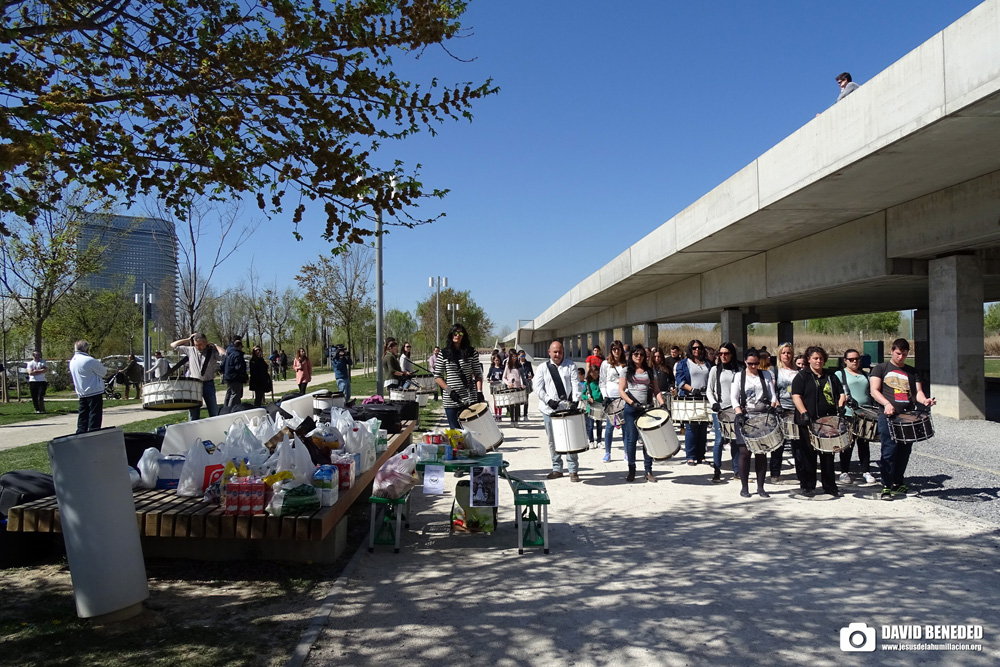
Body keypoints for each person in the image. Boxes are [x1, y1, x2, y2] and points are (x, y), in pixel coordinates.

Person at [870, 338, 936, 500]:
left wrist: (925, 400)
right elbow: (874, 390)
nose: (901, 357)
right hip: (888, 416)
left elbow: (917, 393)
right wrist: (886, 404)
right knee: (889, 451)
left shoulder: (912, 372)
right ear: (892, 351)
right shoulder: (881, 369)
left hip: (907, 416)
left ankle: (898, 482)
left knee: (904, 451)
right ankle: (886, 485)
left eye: (904, 354)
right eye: (898, 353)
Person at [791, 345, 845, 497]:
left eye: (821, 358)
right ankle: (808, 485)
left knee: (828, 454)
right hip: (808, 421)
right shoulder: (802, 376)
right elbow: (796, 396)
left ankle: (829, 485)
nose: (818, 361)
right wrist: (804, 413)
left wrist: (841, 406)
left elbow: (841, 393)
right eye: (815, 358)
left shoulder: (831, 376)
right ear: (809, 360)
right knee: (808, 453)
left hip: (827, 421)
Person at [731, 348, 779, 498]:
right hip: (745, 416)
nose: (753, 366)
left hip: (762, 416)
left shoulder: (766, 375)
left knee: (761, 452)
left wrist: (772, 406)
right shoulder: (739, 376)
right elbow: (734, 397)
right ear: (745, 361)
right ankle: (744, 487)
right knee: (744, 452)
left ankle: (761, 486)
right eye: (750, 363)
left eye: (756, 363)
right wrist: (739, 413)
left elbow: (773, 394)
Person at [534, 340, 582, 482]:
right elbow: (538, 387)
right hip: (549, 409)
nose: (557, 354)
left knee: (570, 438)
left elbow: (576, 384)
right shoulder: (543, 368)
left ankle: (573, 470)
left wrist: (575, 400)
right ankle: (557, 468)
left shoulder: (570, 365)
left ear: (563, 352)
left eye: (560, 352)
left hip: (567, 408)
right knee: (552, 440)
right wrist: (548, 400)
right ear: (549, 352)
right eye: (554, 352)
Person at [619, 344, 666, 482]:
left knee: (647, 440)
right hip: (631, 408)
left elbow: (656, 390)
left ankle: (648, 470)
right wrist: (631, 402)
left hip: (647, 408)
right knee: (631, 439)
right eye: (635, 354)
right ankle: (632, 469)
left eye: (641, 354)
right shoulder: (626, 370)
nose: (638, 356)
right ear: (631, 355)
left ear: (645, 356)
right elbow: (621, 390)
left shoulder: (650, 371)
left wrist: (662, 404)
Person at [837, 349, 877, 485]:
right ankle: (844, 471)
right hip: (848, 413)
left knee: (864, 444)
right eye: (852, 359)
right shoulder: (840, 374)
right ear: (845, 360)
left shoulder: (866, 375)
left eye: (857, 359)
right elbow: (836, 392)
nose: (855, 361)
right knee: (847, 444)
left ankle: (866, 470)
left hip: (865, 413)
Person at [433, 323, 484, 429]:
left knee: (472, 432)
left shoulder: (471, 352)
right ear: (451, 334)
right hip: (452, 399)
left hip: (470, 397)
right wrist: (449, 391)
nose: (458, 335)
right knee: (456, 432)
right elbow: (437, 376)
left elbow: (478, 374)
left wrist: (479, 391)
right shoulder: (444, 353)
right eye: (455, 333)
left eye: (460, 333)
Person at [171, 332, 226, 421]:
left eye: (200, 344)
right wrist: (188, 339)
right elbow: (173, 345)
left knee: (213, 411)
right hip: (194, 385)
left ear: (205, 343)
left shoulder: (212, 352)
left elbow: (224, 354)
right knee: (193, 413)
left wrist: (215, 345)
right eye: (196, 344)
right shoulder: (191, 350)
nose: (198, 347)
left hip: (208, 384)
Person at [707, 342, 741, 483]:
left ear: (732, 354)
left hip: (735, 410)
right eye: (720, 354)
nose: (723, 356)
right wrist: (713, 403)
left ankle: (737, 470)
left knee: (735, 440)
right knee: (719, 440)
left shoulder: (738, 370)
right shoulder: (715, 370)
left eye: (726, 353)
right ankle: (717, 470)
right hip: (719, 410)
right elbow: (709, 389)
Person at [675, 339, 713, 465]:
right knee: (691, 427)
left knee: (703, 427)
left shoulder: (707, 363)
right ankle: (690, 456)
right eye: (694, 348)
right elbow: (680, 380)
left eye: (699, 348)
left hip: (704, 398)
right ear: (690, 349)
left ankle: (701, 455)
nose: (697, 350)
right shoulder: (684, 363)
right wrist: (692, 390)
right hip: (690, 398)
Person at [772, 342, 799, 483]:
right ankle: (775, 473)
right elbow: (772, 390)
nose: (786, 355)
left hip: (796, 410)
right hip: (781, 409)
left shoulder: (798, 370)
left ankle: (801, 473)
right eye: (783, 353)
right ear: (779, 355)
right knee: (779, 444)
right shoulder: (775, 370)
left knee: (797, 444)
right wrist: (777, 404)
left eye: (788, 352)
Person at [69, 340, 108, 433]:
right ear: (87, 349)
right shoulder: (89, 360)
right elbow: (103, 372)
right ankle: (93, 431)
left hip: (81, 391)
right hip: (94, 390)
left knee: (83, 414)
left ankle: (81, 432)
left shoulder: (72, 361)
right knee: (95, 415)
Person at [599, 340, 627, 463]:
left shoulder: (625, 364)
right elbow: (602, 381)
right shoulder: (605, 364)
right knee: (609, 427)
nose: (616, 351)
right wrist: (605, 395)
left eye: (618, 348)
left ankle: (627, 452)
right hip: (610, 398)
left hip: (623, 398)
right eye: (614, 349)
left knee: (625, 427)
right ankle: (608, 452)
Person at [221, 337, 248, 407]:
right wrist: (245, 377)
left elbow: (223, 363)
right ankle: (231, 409)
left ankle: (226, 408)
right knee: (235, 394)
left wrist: (222, 370)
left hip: (228, 376)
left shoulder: (228, 351)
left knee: (229, 393)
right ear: (239, 346)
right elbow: (239, 367)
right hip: (235, 377)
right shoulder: (237, 354)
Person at [583, 365, 603, 447]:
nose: (595, 376)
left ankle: (599, 441)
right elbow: (582, 394)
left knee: (599, 425)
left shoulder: (600, 382)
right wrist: (587, 397)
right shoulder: (587, 383)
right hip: (590, 407)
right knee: (590, 425)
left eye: (597, 374)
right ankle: (591, 440)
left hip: (600, 406)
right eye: (594, 374)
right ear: (590, 373)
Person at [502, 353, 523, 425]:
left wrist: (522, 383)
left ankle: (516, 420)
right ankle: (512, 420)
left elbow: (521, 376)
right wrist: (508, 383)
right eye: (513, 357)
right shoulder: (508, 366)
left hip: (518, 387)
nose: (514, 358)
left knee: (517, 405)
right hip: (511, 387)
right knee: (511, 405)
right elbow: (504, 377)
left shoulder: (519, 366)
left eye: (515, 357)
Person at [486, 354, 505, 420]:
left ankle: (500, 415)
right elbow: (488, 376)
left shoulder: (502, 368)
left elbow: (505, 376)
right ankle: (496, 414)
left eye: (498, 360)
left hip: (501, 385)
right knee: (496, 401)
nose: (497, 361)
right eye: (496, 360)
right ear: (493, 361)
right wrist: (489, 380)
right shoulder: (492, 368)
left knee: (500, 400)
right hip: (494, 385)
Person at [517, 349, 533, 420]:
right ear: (519, 356)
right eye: (521, 356)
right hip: (519, 383)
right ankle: (518, 415)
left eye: (524, 355)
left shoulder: (528, 363)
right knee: (518, 400)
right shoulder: (517, 364)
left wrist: (531, 376)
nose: (523, 357)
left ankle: (525, 415)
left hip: (526, 383)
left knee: (526, 399)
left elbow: (532, 373)